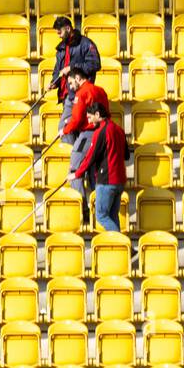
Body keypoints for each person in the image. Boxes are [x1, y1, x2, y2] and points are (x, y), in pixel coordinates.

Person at [61, 67, 110, 223]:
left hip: (88, 134)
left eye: (70, 82)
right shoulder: (101, 91)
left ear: (77, 78)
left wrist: (64, 130)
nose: (70, 86)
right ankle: (99, 209)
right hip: (104, 133)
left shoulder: (81, 93)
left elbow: (76, 119)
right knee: (95, 172)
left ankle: (83, 209)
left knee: (74, 169)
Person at [70, 102, 128, 233]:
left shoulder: (100, 132)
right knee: (112, 216)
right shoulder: (119, 130)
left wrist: (76, 174)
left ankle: (124, 245)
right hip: (120, 180)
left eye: (90, 118)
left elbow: (90, 157)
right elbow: (126, 155)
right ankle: (120, 250)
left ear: (97, 114)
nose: (89, 122)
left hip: (107, 180)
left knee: (101, 216)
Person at [52, 16, 102, 138]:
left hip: (81, 95)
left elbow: (95, 64)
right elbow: (57, 69)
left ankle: (74, 155)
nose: (58, 35)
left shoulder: (86, 44)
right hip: (67, 95)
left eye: (60, 32)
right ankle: (75, 154)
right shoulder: (61, 48)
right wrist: (54, 82)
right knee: (71, 129)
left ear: (68, 28)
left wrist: (72, 67)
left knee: (66, 129)